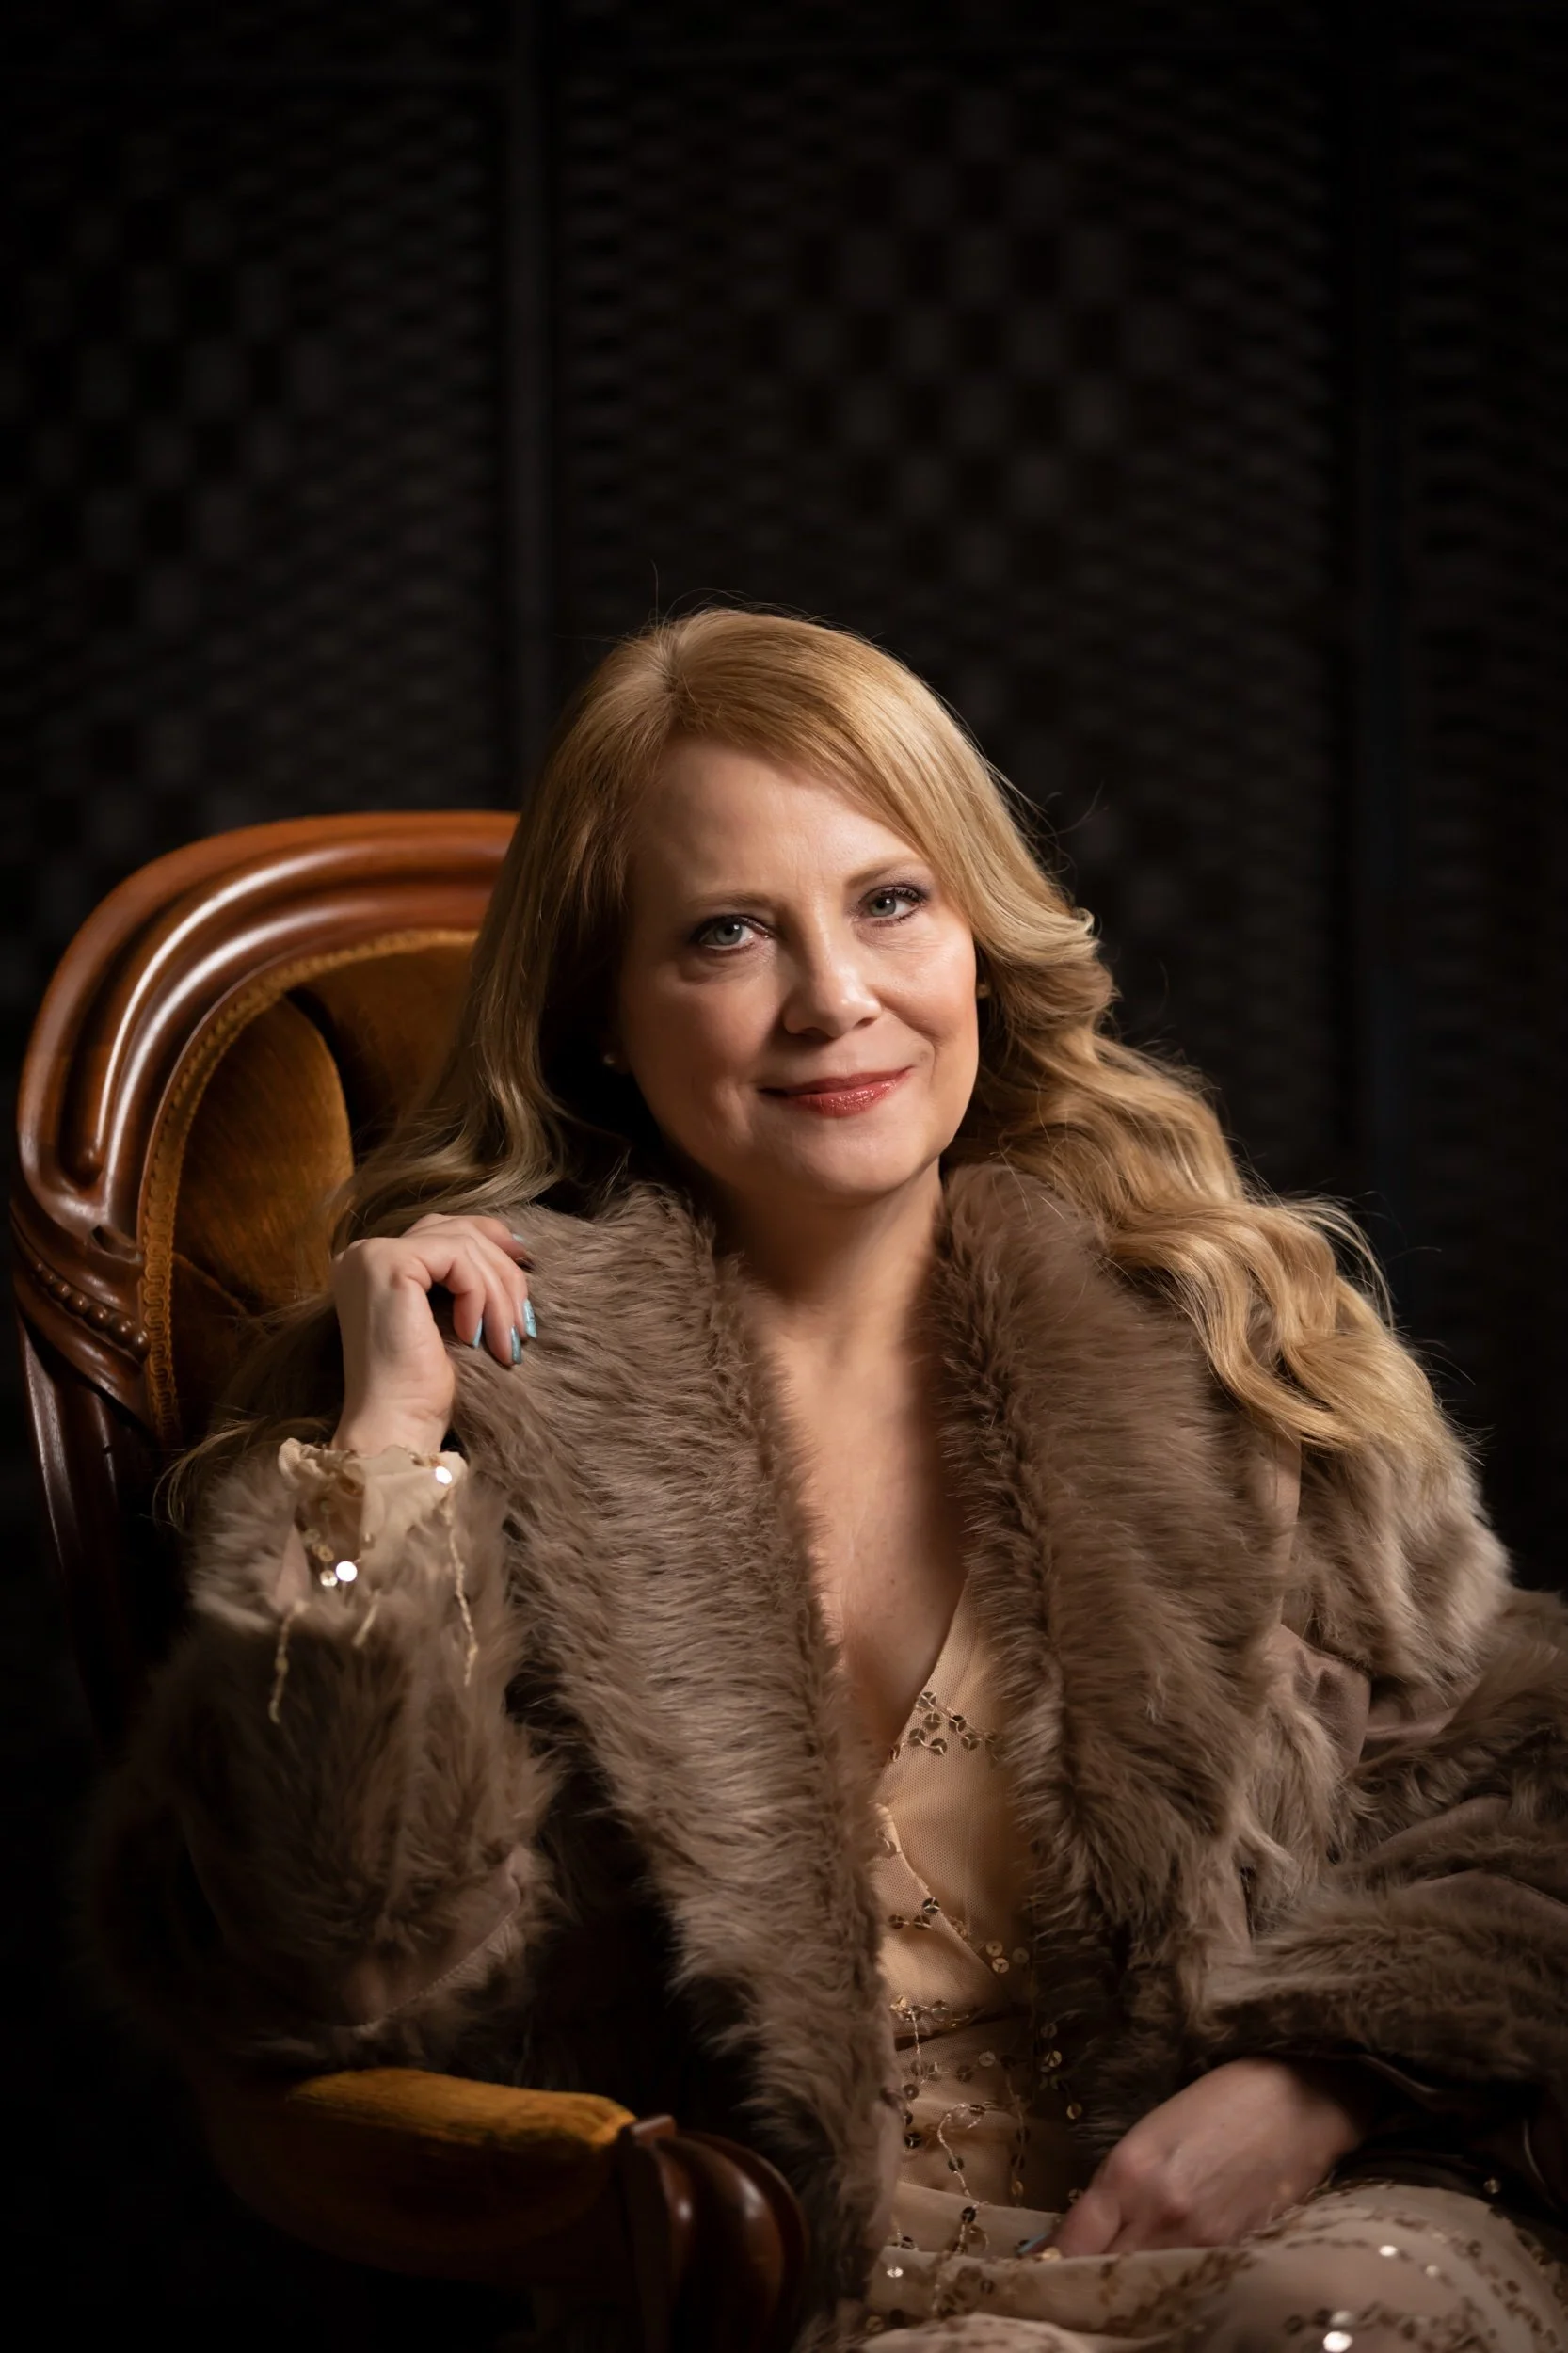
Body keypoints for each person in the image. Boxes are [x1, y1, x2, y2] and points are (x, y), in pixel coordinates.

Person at [94, 610, 1568, 2350]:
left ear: (978, 941)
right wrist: (381, 1464)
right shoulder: (461, 1404)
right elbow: (312, 1965)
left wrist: (1314, 2080)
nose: (834, 999)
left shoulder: (1225, 1332)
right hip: (782, 2288)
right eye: (725, 933)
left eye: (888, 901)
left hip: (1289, 2224)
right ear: (599, 1015)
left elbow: (1517, 1797)